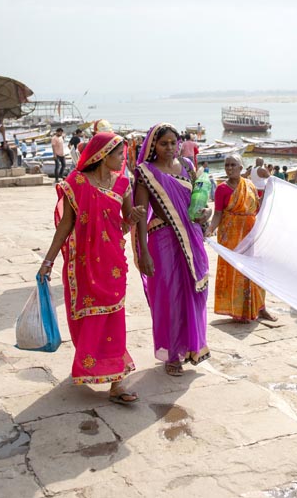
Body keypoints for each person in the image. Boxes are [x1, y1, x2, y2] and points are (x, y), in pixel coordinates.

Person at [38, 131, 141, 402]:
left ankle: (117, 382)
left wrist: (135, 217)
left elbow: (126, 219)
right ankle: (91, 364)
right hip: (83, 262)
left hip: (112, 262)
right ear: (102, 155)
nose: (123, 159)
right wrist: (48, 260)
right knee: (89, 316)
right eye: (119, 155)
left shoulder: (123, 183)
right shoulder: (77, 183)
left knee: (114, 315)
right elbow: (66, 224)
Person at [133, 123, 211, 376]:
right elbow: (141, 215)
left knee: (195, 293)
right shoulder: (146, 172)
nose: (169, 147)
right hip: (164, 241)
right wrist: (143, 251)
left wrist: (206, 213)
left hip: (192, 239)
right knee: (169, 297)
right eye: (163, 143)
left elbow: (199, 201)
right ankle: (172, 354)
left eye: (173, 143)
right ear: (153, 145)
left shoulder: (188, 167)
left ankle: (193, 347)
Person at [208, 155, 275, 323]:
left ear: (241, 167)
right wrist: (209, 230)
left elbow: (257, 207)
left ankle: (261, 308)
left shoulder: (250, 185)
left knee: (256, 271)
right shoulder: (221, 189)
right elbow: (217, 214)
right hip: (230, 236)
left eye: (233, 165)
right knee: (236, 272)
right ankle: (239, 311)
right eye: (227, 165)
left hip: (251, 233)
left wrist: (269, 192)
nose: (229, 168)